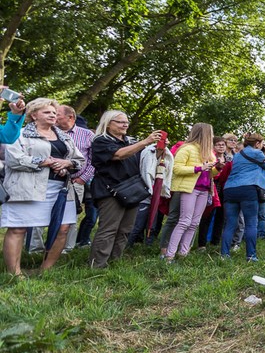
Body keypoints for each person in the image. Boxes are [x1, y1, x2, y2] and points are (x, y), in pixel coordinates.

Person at [2, 99, 84, 276]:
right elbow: (13, 160)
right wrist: (42, 161)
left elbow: (79, 161)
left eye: (54, 113)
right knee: (18, 228)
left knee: (63, 228)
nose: (53, 115)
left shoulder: (65, 137)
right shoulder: (21, 134)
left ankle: (44, 270)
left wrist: (66, 163)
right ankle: (15, 273)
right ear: (33, 115)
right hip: (26, 187)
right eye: (47, 112)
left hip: (61, 189)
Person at [89, 110, 162, 269]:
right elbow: (119, 155)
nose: (125, 125)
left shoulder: (130, 141)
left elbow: (144, 161)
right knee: (109, 228)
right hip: (110, 190)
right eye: (120, 122)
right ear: (108, 124)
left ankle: (114, 262)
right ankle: (98, 265)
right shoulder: (101, 140)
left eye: (126, 122)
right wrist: (145, 141)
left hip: (132, 190)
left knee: (125, 229)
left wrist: (160, 150)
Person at [164, 123, 218, 263]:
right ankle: (169, 255)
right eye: (210, 133)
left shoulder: (209, 152)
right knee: (184, 221)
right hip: (189, 189)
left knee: (195, 223)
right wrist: (199, 168)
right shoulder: (187, 148)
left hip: (204, 190)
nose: (212, 136)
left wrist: (218, 168)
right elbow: (176, 168)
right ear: (203, 134)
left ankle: (183, 253)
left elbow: (211, 174)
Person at [221, 132, 265, 262]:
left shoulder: (238, 155)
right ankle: (251, 256)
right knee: (251, 223)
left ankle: (224, 255)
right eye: (262, 143)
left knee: (230, 224)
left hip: (230, 189)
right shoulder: (257, 153)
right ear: (257, 143)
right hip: (248, 189)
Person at [55, 105, 95, 252]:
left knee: (70, 217)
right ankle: (37, 249)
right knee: (41, 215)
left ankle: (67, 249)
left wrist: (83, 179)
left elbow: (93, 160)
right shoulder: (50, 132)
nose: (54, 116)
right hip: (50, 181)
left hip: (75, 182)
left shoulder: (87, 134)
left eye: (57, 114)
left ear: (70, 117)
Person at [197, 136, 228, 249]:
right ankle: (202, 244)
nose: (221, 146)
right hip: (211, 188)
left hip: (224, 190)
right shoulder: (210, 157)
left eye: (223, 145)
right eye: (218, 144)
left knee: (221, 216)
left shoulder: (228, 158)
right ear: (213, 146)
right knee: (207, 216)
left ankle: (215, 241)